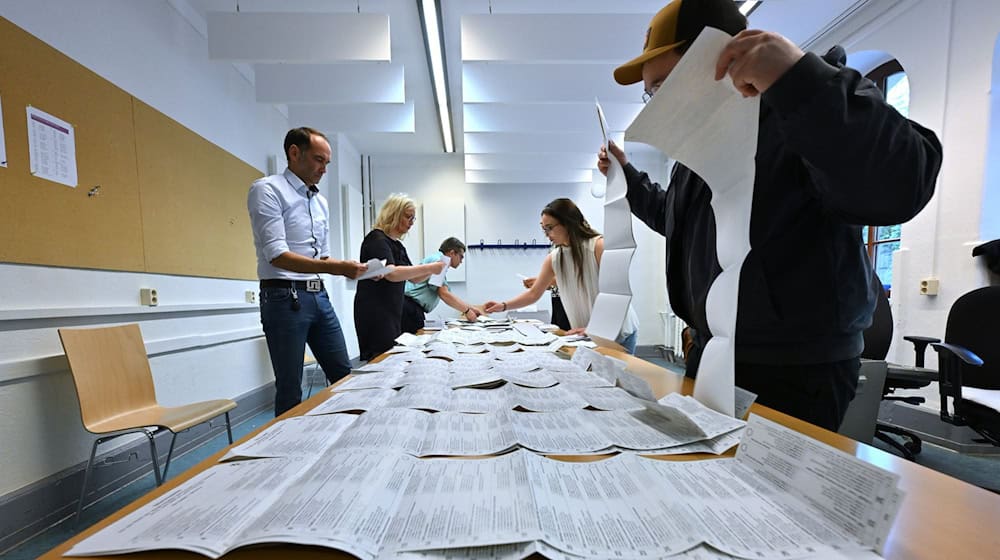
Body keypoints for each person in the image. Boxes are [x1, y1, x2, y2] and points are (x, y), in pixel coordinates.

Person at [598, 0, 942, 430]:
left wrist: (800, 80)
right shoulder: (701, 148)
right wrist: (627, 177)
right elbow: (674, 217)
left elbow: (901, 185)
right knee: (709, 481)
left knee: (778, 495)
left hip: (793, 368)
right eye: (651, 92)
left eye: (663, 85)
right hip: (714, 351)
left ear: (721, 58)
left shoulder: (801, 110)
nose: (657, 103)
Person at [247, 127, 368, 416]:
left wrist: (353, 270)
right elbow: (277, 255)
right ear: (294, 153)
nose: (324, 169)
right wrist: (336, 268)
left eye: (327, 162)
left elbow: (321, 256)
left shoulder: (320, 202)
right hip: (282, 297)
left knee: (343, 374)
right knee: (290, 387)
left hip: (317, 296)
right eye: (318, 160)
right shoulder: (268, 190)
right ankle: (285, 454)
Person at [484, 198, 639, 354]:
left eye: (550, 228)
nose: (547, 234)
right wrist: (502, 306)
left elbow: (616, 295)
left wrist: (595, 328)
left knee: (618, 376)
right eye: (544, 229)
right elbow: (533, 294)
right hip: (586, 335)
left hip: (617, 332)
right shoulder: (554, 258)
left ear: (568, 223)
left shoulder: (599, 247)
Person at [354, 194, 447, 360]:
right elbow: (392, 274)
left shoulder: (397, 245)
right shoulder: (377, 239)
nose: (411, 222)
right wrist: (431, 267)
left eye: (413, 218)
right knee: (380, 358)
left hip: (392, 310)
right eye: (408, 216)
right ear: (394, 214)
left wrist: (434, 271)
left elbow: (414, 278)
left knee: (391, 355)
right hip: (376, 311)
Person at [401, 237, 483, 332]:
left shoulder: (437, 259)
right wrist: (467, 311)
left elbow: (445, 292)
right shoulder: (440, 261)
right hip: (409, 308)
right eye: (461, 256)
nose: (461, 261)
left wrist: (471, 308)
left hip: (410, 307)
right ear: (452, 253)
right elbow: (444, 294)